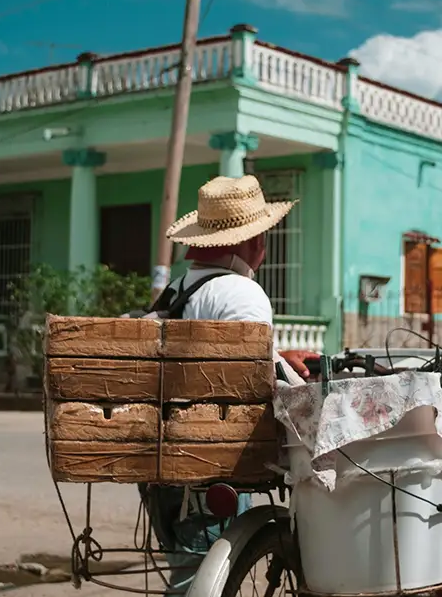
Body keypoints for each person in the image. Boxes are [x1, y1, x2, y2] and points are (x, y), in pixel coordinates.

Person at [139, 174, 320, 590]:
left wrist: (279, 357)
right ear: (252, 243)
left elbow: (218, 357)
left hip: (163, 470)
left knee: (188, 577)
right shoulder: (243, 294)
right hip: (211, 465)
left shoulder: (175, 292)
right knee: (199, 582)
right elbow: (249, 381)